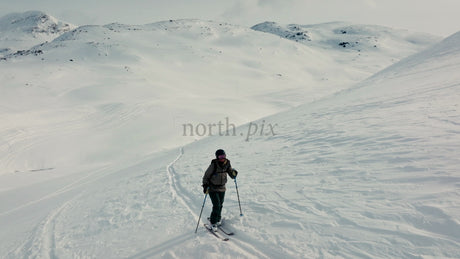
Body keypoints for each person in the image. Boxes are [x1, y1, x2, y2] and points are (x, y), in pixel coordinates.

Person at [202, 149, 238, 231]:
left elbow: (231, 174)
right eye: (220, 156)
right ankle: (213, 222)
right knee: (216, 205)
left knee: (220, 204)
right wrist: (205, 186)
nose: (222, 158)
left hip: (222, 187)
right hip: (212, 188)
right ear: (217, 157)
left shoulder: (227, 163)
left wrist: (234, 173)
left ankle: (218, 219)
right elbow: (206, 176)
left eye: (224, 156)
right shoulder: (214, 165)